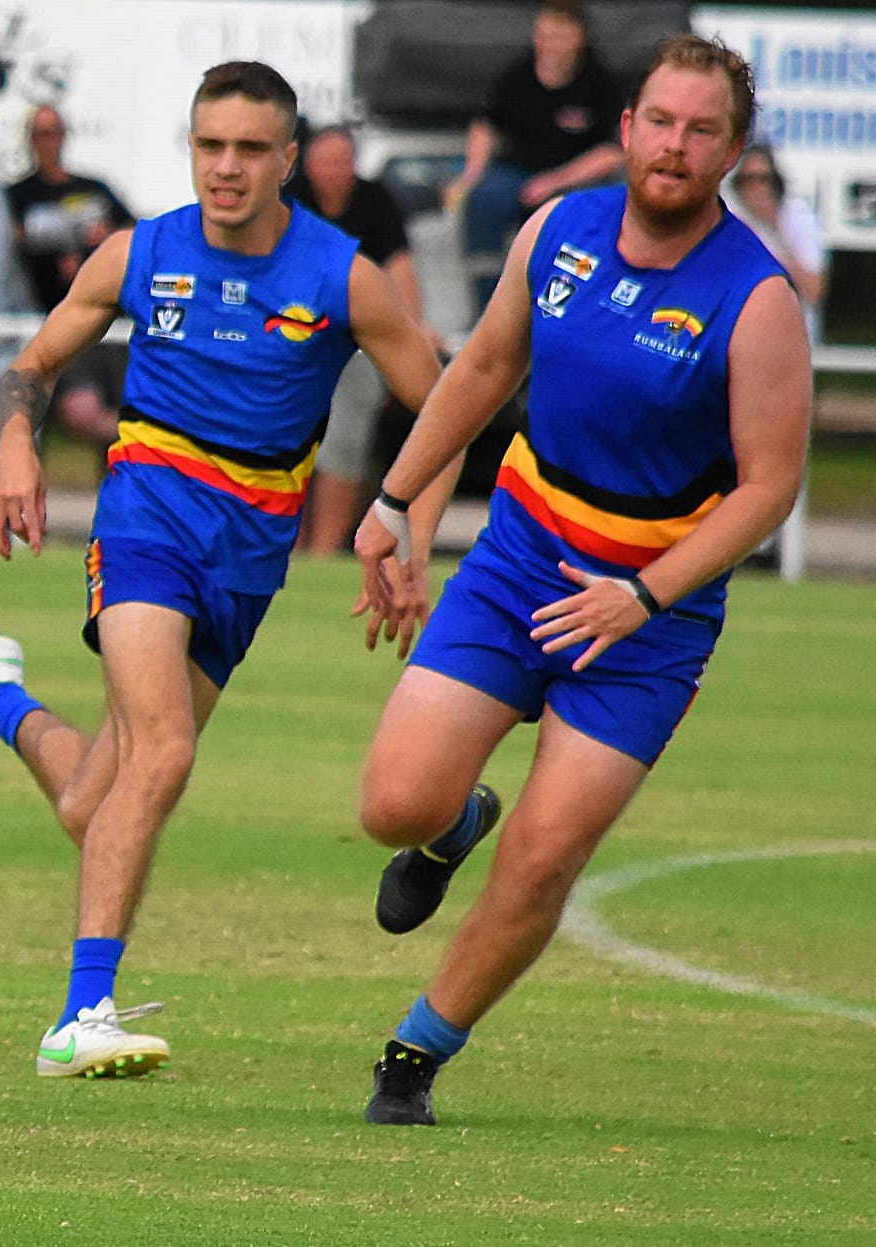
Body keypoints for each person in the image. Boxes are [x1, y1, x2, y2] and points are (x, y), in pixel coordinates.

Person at [0, 62, 451, 1079]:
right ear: (189, 148)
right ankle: (79, 1013)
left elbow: (446, 405)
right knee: (161, 754)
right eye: (209, 146)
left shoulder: (341, 275)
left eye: (248, 149)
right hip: (146, 517)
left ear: (288, 159)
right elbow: (35, 360)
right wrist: (16, 445)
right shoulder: (140, 252)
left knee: (93, 801)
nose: (225, 168)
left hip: (247, 554)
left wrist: (403, 526)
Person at [349, 34, 810, 1126]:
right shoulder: (555, 230)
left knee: (545, 855)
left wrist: (642, 595)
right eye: (659, 121)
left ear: (731, 152)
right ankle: (447, 824)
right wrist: (392, 499)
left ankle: (412, 1054)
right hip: (518, 560)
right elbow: (483, 369)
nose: (674, 146)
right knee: (390, 803)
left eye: (701, 131)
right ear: (625, 127)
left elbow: (768, 489)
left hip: (646, 620)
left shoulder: (754, 301)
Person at [288, 124, 428, 555]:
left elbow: (399, 268)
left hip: (356, 338)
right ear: (307, 165)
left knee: (344, 442)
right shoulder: (287, 202)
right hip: (291, 340)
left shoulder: (375, 201)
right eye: (327, 162)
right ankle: (281, 551)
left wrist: (413, 335)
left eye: (344, 161)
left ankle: (324, 553)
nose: (336, 171)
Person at [446, 0, 625, 321]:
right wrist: (471, 175)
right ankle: (487, 310)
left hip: (573, 181)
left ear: (579, 38)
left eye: (559, 35)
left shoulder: (600, 84)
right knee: (484, 198)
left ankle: (563, 311)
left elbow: (613, 152)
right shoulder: (516, 76)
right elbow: (486, 124)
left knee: (575, 215)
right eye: (543, 34)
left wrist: (553, 182)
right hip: (516, 174)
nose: (549, 44)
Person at [6, 104, 136, 449]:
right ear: (30, 140)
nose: (51, 142)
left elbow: (135, 233)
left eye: (56, 132)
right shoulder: (18, 195)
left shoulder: (93, 188)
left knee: (129, 403)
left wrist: (105, 238)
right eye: (42, 133)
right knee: (80, 410)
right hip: (51, 317)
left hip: (108, 318)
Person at [727, 144, 828, 342]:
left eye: (764, 179)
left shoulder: (799, 217)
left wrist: (776, 229)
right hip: (741, 336)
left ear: (776, 181)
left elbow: (814, 290)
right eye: (748, 180)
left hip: (791, 338)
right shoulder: (729, 218)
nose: (757, 188)